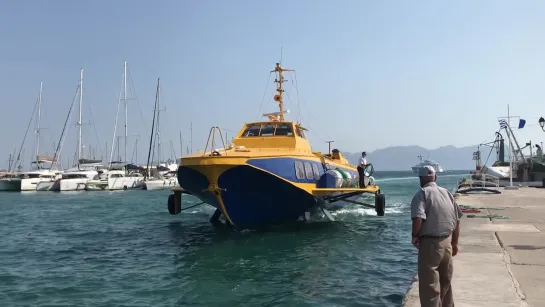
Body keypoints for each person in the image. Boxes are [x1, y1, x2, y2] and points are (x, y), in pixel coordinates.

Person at [410, 165, 463, 307]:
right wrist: (455, 243)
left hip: (431, 244)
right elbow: (457, 220)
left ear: (420, 179)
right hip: (447, 242)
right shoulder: (447, 193)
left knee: (430, 285)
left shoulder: (421, 194)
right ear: (436, 177)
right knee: (446, 281)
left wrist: (415, 236)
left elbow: (418, 218)